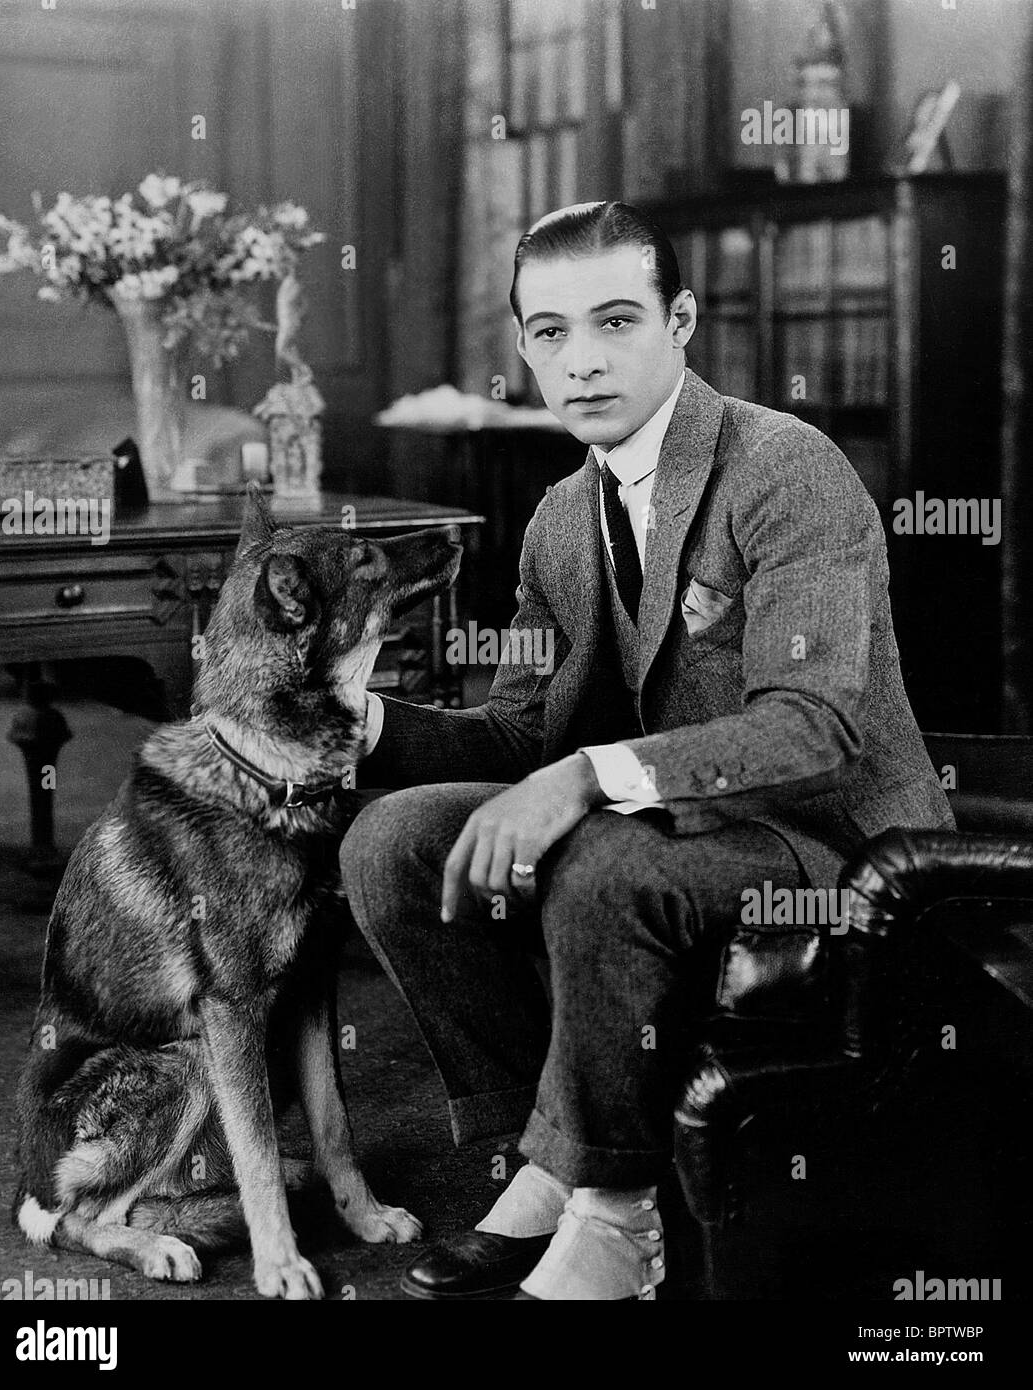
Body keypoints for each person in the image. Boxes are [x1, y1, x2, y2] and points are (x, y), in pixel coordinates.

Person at [338, 200, 954, 1301]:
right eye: (548, 334)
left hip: (826, 845)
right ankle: (547, 1155)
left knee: (601, 858)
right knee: (394, 842)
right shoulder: (555, 522)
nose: (580, 363)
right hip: (666, 824)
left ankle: (617, 1222)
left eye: (615, 322)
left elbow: (816, 725)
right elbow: (522, 729)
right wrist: (365, 723)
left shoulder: (785, 466)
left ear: (680, 322)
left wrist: (584, 779)